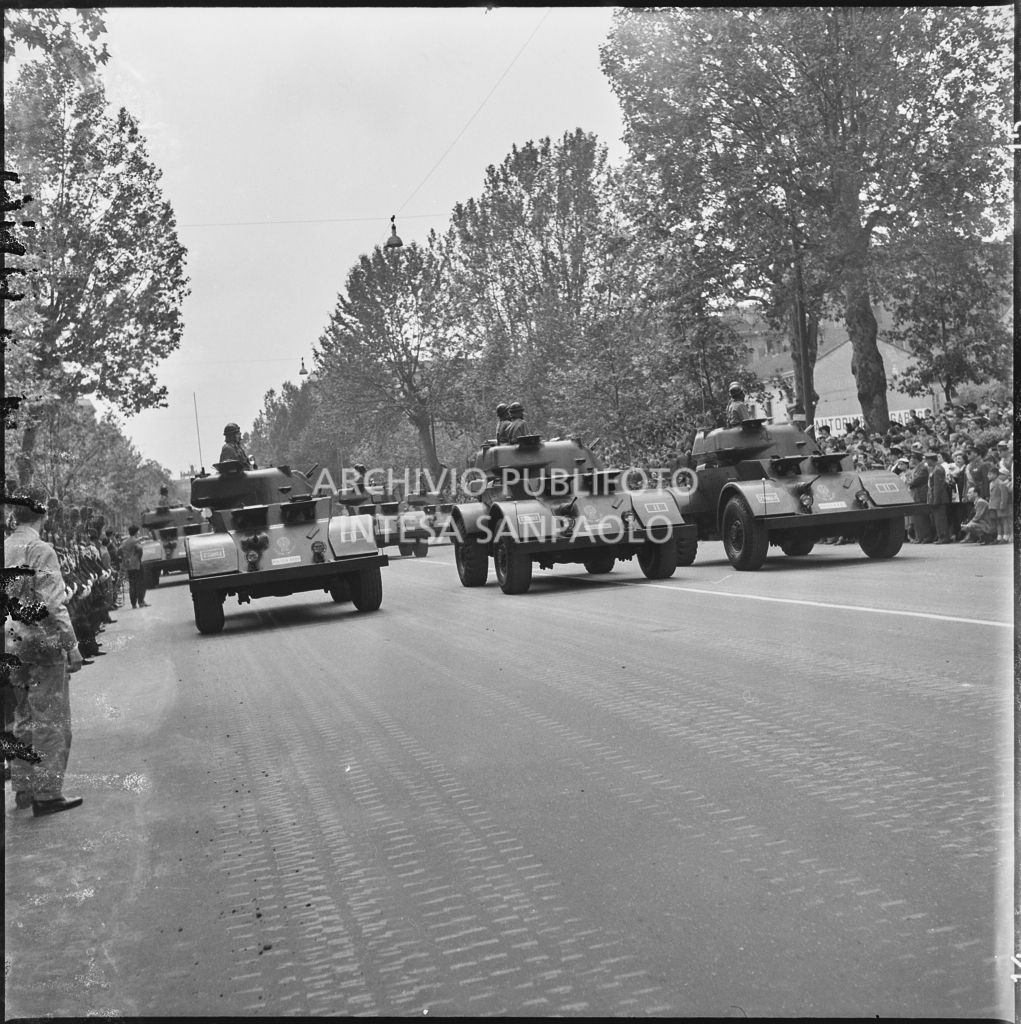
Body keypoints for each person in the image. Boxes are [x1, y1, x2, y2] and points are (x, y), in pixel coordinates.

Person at [4, 484, 85, 815]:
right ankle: (48, 794)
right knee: (50, 718)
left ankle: (23, 788)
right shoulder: (41, 549)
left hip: (12, 640)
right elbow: (53, 604)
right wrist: (73, 646)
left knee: (22, 716)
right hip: (42, 642)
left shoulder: (5, 547)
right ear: (42, 513)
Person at [118, 525, 149, 609]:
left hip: (128, 565)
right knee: (141, 583)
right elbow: (140, 550)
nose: (139, 532)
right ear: (136, 532)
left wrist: (125, 558)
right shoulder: (135, 541)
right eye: (138, 531)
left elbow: (119, 550)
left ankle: (133, 603)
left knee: (132, 584)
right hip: (137, 564)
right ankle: (141, 601)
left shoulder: (125, 542)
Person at [924, 452, 951, 543]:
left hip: (939, 498)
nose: (926, 461)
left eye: (927, 460)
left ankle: (943, 537)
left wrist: (935, 500)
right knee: (937, 518)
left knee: (940, 519)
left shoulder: (938, 470)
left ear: (931, 460)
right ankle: (940, 536)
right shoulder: (934, 468)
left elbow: (937, 487)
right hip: (935, 496)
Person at [906, 451, 932, 543]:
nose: (911, 460)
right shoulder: (916, 468)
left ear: (917, 459)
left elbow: (915, 481)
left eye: (913, 458)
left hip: (921, 495)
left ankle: (926, 536)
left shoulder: (923, 468)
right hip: (915, 495)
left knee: (922, 518)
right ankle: (919, 537)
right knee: (916, 519)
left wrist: (909, 482)